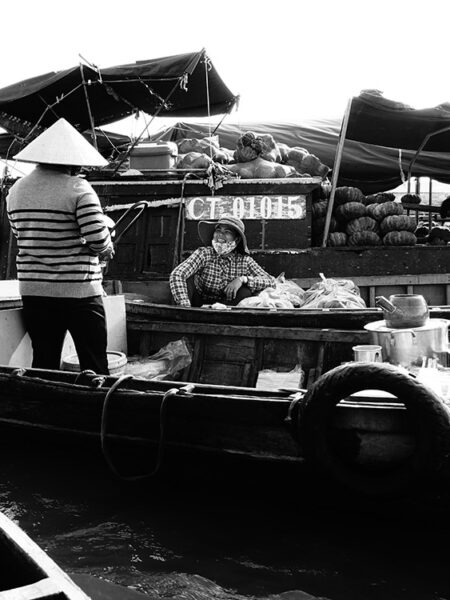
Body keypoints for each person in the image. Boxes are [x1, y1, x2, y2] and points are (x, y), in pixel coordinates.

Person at [6, 118, 114, 374]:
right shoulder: (79, 189)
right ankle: (95, 412)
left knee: (43, 360)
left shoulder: (16, 191)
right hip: (79, 292)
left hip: (34, 291)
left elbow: (20, 233)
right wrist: (107, 246)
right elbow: (98, 241)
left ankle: (43, 410)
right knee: (94, 363)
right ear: (71, 160)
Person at [170, 215, 276, 307]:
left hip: (227, 306)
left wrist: (243, 279)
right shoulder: (204, 253)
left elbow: (271, 282)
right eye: (218, 230)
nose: (220, 234)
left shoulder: (244, 261)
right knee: (187, 280)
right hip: (198, 301)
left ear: (237, 239)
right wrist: (185, 306)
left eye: (227, 232)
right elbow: (177, 274)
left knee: (244, 291)